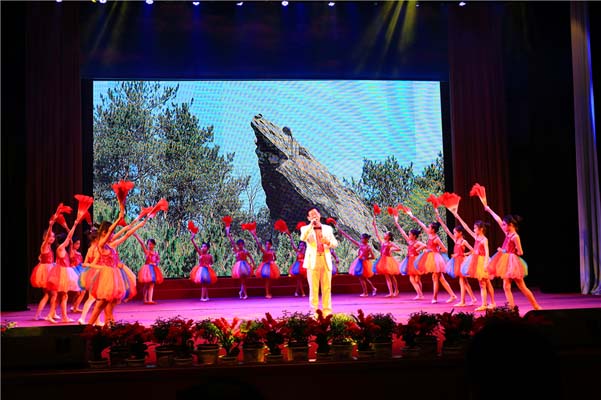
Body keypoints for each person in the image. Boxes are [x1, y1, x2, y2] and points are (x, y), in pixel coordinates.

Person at [484, 205, 542, 310]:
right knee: (506, 286)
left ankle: (536, 306)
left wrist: (504, 251)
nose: (502, 226)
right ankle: (511, 307)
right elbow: (498, 220)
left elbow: (520, 252)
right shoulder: (507, 233)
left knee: (522, 287)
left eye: (504, 224)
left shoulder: (515, 236)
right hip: (506, 262)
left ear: (510, 225)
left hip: (513, 262)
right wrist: (489, 210)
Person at [408, 211, 457, 304]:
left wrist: (435, 250)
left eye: (429, 227)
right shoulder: (430, 234)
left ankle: (435, 298)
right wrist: (415, 219)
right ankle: (452, 295)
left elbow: (445, 249)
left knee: (435, 278)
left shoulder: (436, 239)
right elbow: (423, 225)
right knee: (441, 279)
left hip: (435, 258)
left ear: (433, 230)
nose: (428, 228)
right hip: (431, 257)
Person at [434, 209, 479, 307]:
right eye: (454, 232)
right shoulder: (455, 240)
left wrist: (463, 255)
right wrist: (440, 220)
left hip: (462, 262)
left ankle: (463, 301)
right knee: (464, 282)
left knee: (462, 281)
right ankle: (473, 299)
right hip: (456, 262)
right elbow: (447, 230)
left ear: (460, 233)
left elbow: (473, 250)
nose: (454, 234)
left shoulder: (463, 242)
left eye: (455, 232)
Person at [46, 213, 85, 323]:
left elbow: (69, 238)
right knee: (62, 296)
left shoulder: (62, 249)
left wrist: (70, 227)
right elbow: (69, 237)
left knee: (62, 296)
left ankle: (57, 316)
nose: (68, 242)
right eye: (66, 241)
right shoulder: (60, 248)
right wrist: (74, 225)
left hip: (64, 272)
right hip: (61, 273)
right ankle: (61, 317)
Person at [299, 207, 338, 316]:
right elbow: (302, 238)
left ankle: (327, 312)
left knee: (327, 288)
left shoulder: (328, 229)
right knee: (313, 288)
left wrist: (328, 242)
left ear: (320, 215)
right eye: (312, 215)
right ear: (308, 218)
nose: (315, 216)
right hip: (313, 260)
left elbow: (335, 243)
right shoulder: (305, 228)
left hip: (325, 259)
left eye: (316, 214)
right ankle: (314, 313)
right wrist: (311, 225)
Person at [335, 224, 377, 297]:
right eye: (361, 238)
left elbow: (373, 256)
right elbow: (350, 238)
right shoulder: (360, 245)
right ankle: (372, 289)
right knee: (363, 278)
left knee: (362, 278)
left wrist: (366, 258)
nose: (361, 240)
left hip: (364, 263)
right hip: (359, 262)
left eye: (362, 238)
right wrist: (341, 231)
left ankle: (366, 292)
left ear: (366, 239)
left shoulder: (368, 247)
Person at [30, 214, 58, 321]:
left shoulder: (49, 247)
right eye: (50, 236)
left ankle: (40, 315)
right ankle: (50, 315)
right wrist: (50, 226)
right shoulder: (45, 245)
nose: (52, 238)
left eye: (53, 237)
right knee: (53, 294)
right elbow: (46, 241)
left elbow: (42, 257)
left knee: (48, 295)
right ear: (45, 237)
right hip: (46, 272)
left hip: (49, 269)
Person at [393, 215, 427, 300]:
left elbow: (424, 245)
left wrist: (417, 249)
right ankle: (420, 294)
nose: (408, 235)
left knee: (415, 280)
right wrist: (398, 225)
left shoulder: (416, 243)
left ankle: (420, 295)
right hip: (410, 260)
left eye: (410, 234)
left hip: (415, 260)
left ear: (414, 236)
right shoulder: (409, 241)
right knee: (415, 279)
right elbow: (403, 233)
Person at [371, 217, 401, 297]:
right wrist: (374, 226)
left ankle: (395, 290)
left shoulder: (390, 243)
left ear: (389, 236)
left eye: (386, 234)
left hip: (389, 260)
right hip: (383, 260)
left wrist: (392, 250)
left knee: (391, 276)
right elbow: (377, 234)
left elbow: (398, 248)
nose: (384, 235)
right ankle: (391, 292)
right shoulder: (383, 242)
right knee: (387, 276)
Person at [225, 227, 256, 300]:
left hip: (245, 266)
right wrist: (228, 234)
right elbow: (232, 243)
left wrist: (253, 264)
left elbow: (251, 257)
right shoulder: (236, 251)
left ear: (243, 245)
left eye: (241, 244)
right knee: (243, 281)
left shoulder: (245, 251)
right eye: (239, 244)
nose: (240, 246)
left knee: (244, 281)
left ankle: (241, 292)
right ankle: (245, 294)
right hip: (239, 267)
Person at [249, 229, 280, 299]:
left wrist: (272, 261)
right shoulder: (264, 251)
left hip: (271, 267)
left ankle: (269, 292)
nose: (267, 245)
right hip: (265, 267)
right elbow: (259, 245)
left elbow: (275, 258)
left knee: (270, 281)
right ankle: (267, 293)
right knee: (267, 281)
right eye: (266, 244)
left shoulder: (272, 251)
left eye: (268, 244)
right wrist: (255, 236)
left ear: (271, 245)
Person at [134, 234, 164, 304]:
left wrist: (155, 263)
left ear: (154, 245)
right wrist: (136, 236)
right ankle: (145, 299)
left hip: (154, 269)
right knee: (146, 284)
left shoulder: (156, 253)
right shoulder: (147, 251)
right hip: (147, 269)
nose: (150, 245)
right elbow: (142, 243)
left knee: (152, 284)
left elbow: (158, 260)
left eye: (151, 244)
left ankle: (150, 299)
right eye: (149, 244)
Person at [189, 234, 217, 302]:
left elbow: (211, 262)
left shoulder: (209, 256)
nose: (203, 248)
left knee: (205, 284)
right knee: (203, 284)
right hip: (201, 270)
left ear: (207, 248)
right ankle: (202, 297)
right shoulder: (200, 253)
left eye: (204, 247)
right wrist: (192, 239)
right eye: (202, 246)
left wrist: (209, 265)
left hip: (207, 270)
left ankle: (206, 296)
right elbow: (196, 247)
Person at [69, 237, 86, 313]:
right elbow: (70, 242)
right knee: (81, 292)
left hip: (80, 271)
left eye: (79, 244)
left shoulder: (79, 253)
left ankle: (74, 306)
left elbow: (80, 263)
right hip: (74, 272)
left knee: (79, 292)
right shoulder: (71, 252)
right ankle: (75, 307)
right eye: (76, 243)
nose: (78, 245)